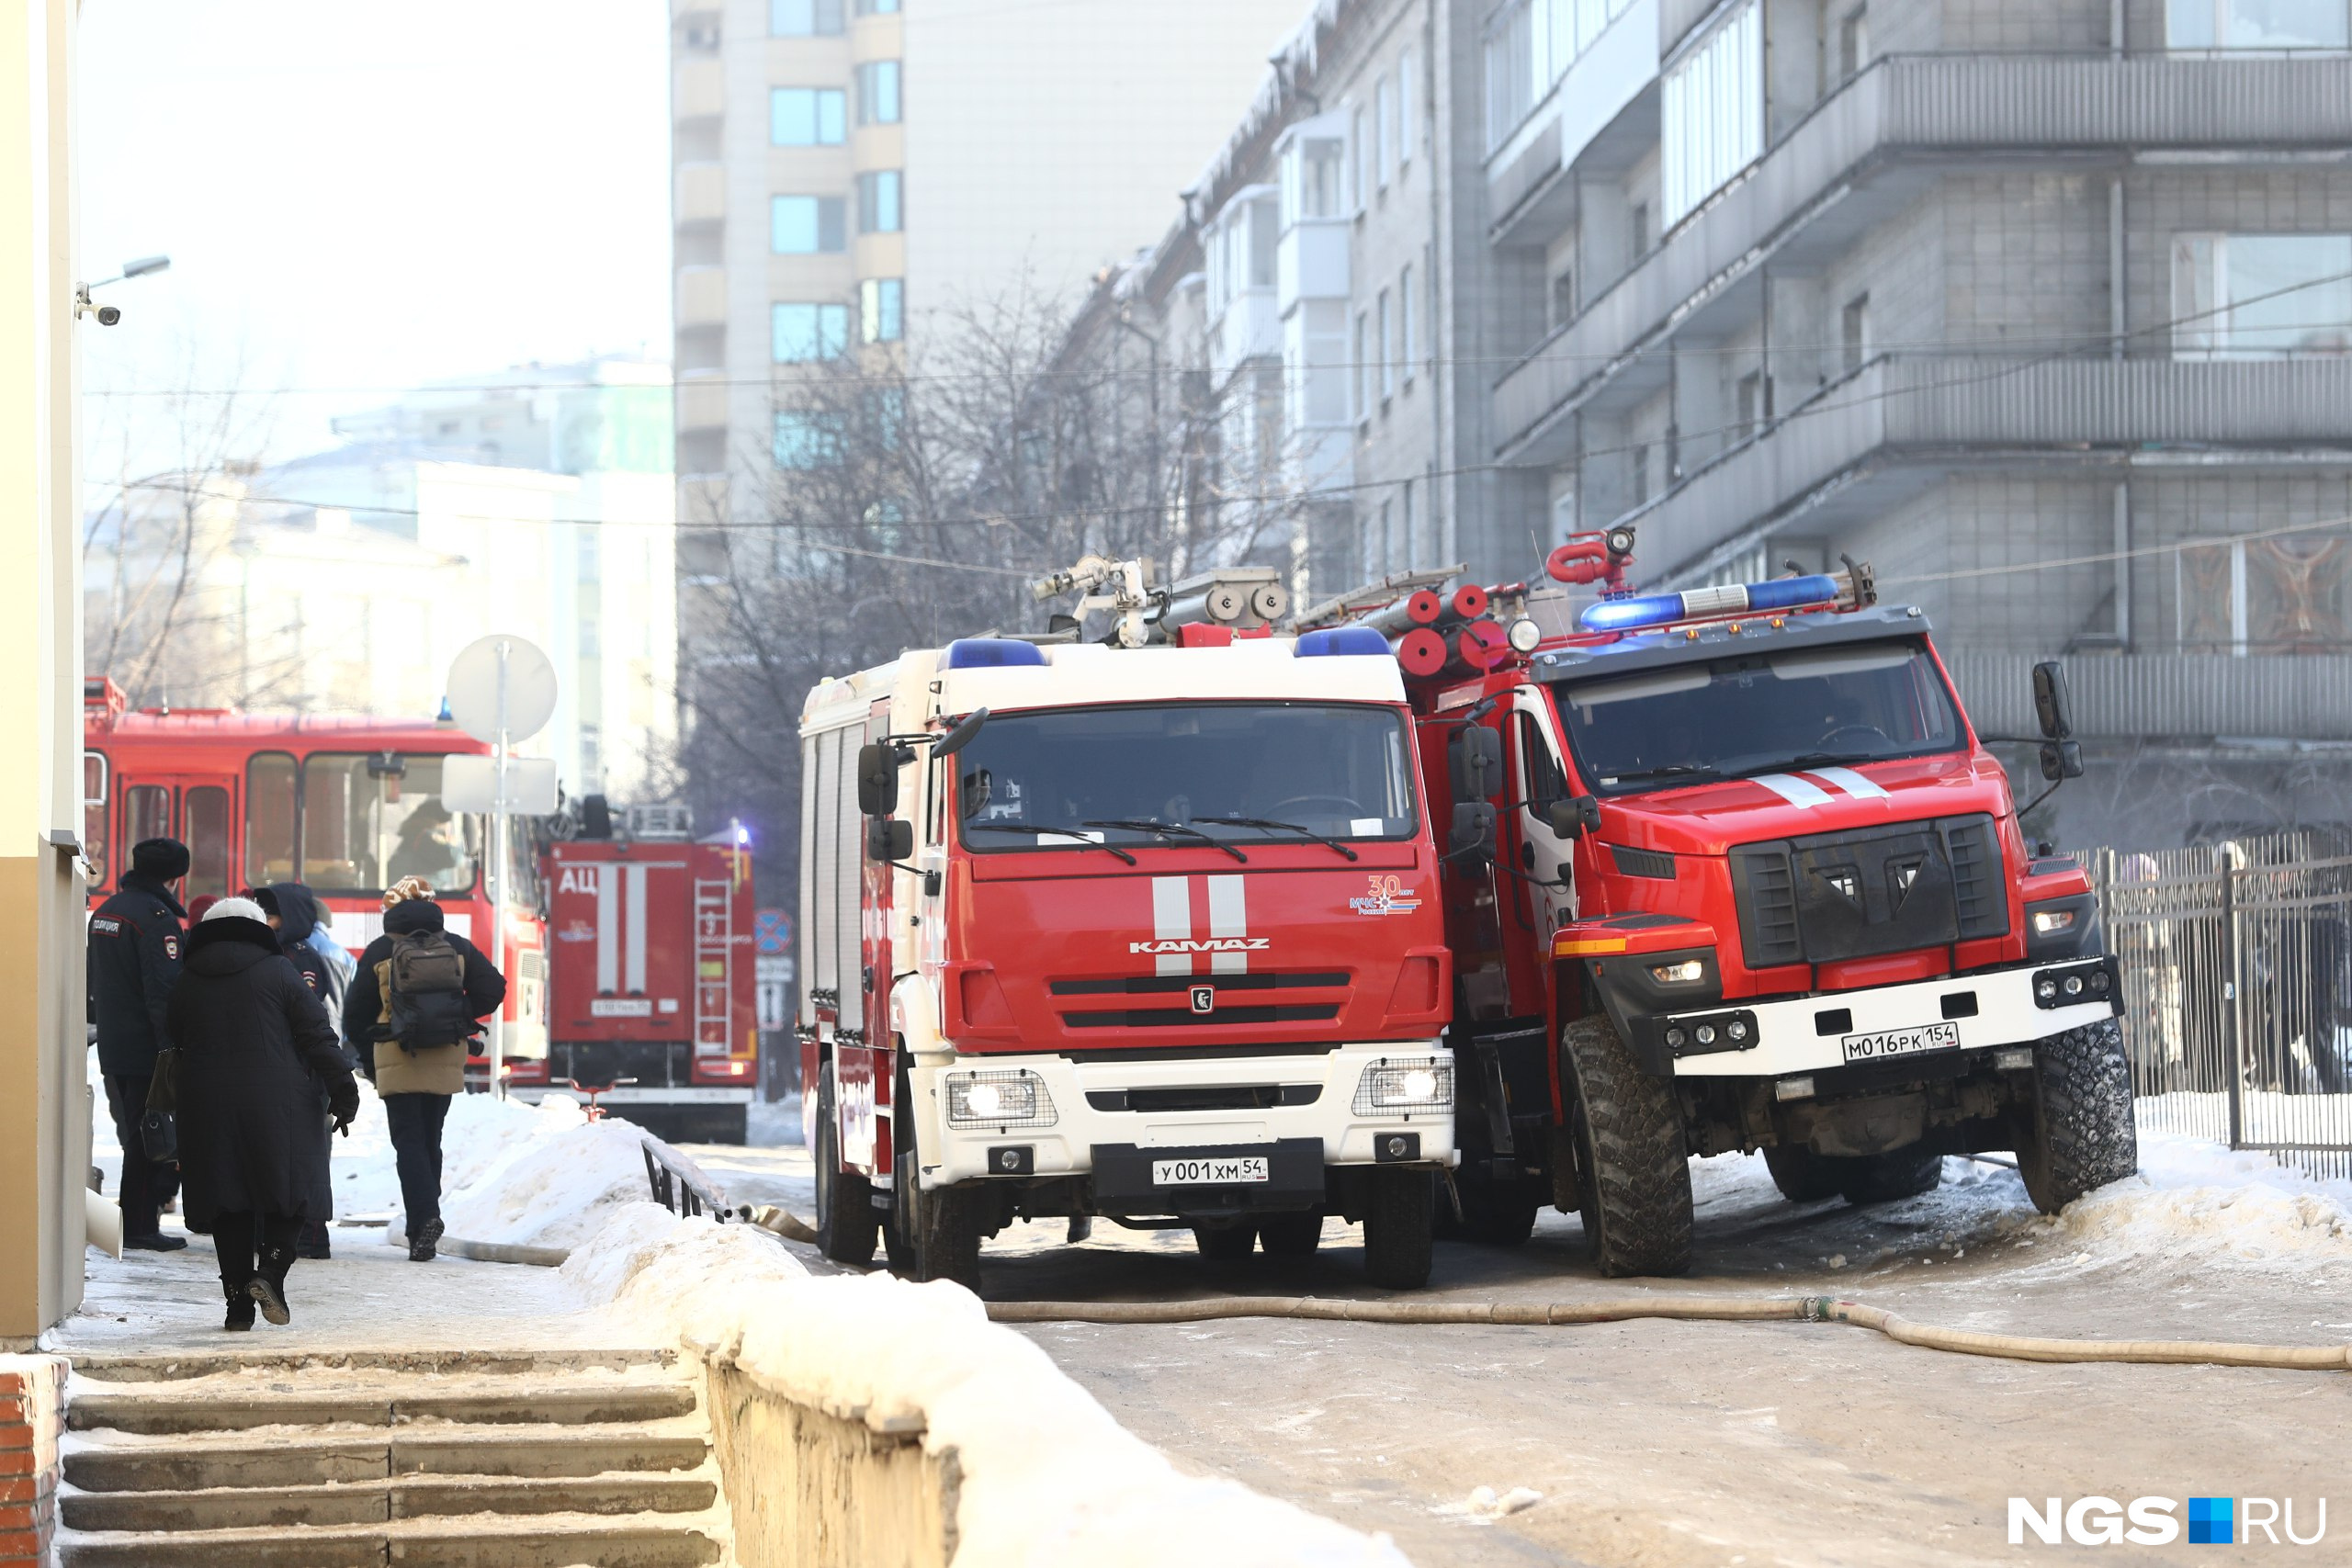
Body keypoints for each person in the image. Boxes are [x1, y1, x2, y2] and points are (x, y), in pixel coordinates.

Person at [167, 897, 359, 1331]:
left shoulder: (188, 978)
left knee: (227, 1201)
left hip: (206, 1103)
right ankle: (270, 1273)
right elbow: (317, 1034)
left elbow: (173, 1036)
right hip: (282, 1103)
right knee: (290, 1188)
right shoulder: (279, 971)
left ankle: (237, 1306)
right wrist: (344, 1091)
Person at [343, 876, 505, 1262]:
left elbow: (354, 1016)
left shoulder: (382, 949)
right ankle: (426, 1220)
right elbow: (493, 988)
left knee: (409, 1142)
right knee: (431, 1139)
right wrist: (456, 1015)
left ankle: (423, 1221)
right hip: (445, 1055)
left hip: (397, 1056)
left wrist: (369, 1058)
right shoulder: (457, 946)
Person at [88, 837, 191, 1251]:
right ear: (173, 877)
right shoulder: (156, 919)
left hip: (114, 1045)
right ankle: (139, 1226)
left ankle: (134, 1222)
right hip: (148, 1050)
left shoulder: (106, 912)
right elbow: (163, 992)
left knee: (135, 1134)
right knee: (151, 1138)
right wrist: (174, 1050)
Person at [250, 884, 347, 1259]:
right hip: (280, 1071)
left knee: (308, 1155)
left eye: (271, 914)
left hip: (306, 1073)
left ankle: (309, 1236)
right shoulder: (274, 953)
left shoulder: (301, 958)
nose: (266, 921)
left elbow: (303, 1019)